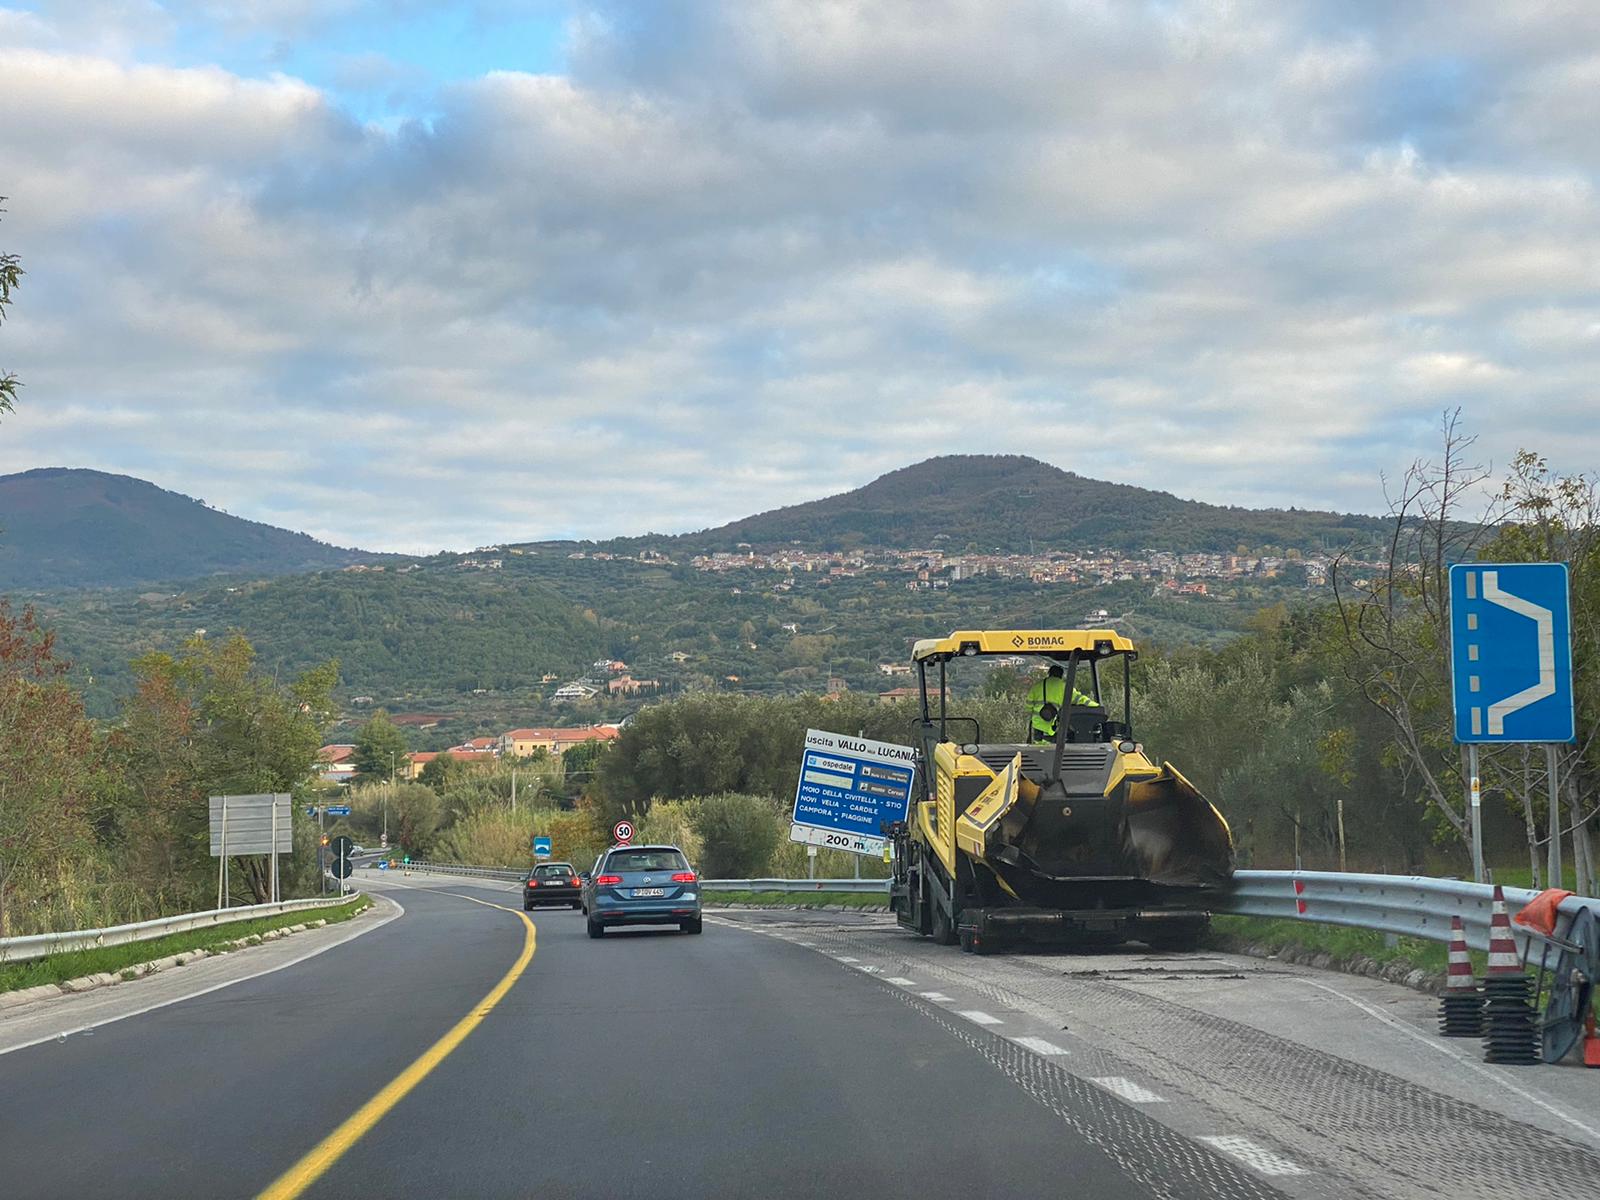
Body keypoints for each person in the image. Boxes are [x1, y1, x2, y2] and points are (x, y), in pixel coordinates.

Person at [1026, 663, 1095, 742]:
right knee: (1055, 750)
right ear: (1061, 675)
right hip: (1055, 726)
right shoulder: (1065, 687)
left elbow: (1028, 706)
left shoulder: (1037, 686)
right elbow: (1080, 699)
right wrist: (1096, 706)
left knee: (1039, 750)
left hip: (1038, 725)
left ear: (1049, 673)